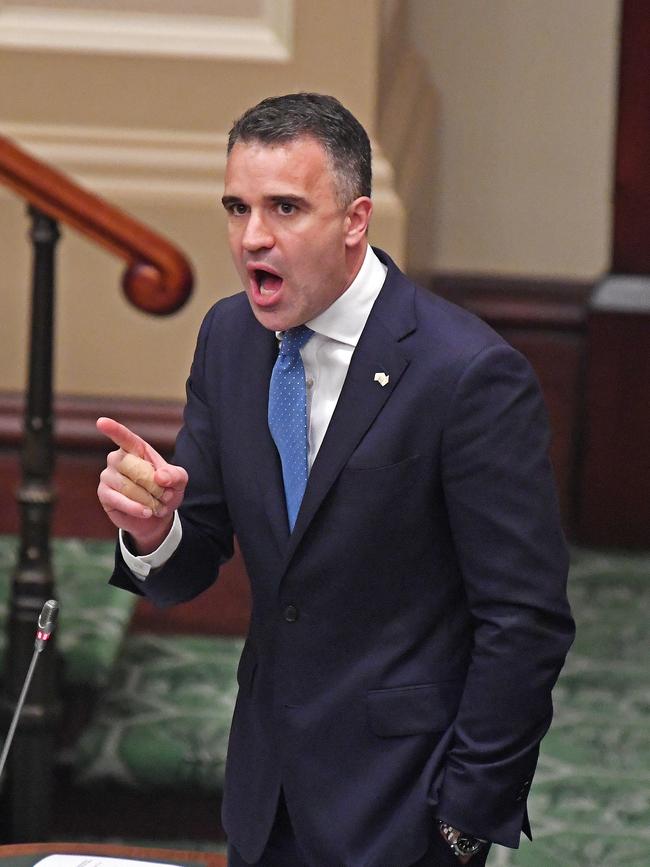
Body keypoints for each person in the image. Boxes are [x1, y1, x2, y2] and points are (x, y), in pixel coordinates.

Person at [97, 93, 575, 867]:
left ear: (355, 220)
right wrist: (154, 530)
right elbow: (192, 561)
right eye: (237, 207)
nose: (253, 237)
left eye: (285, 207)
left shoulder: (467, 374)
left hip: (403, 803)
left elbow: (525, 620)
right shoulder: (229, 337)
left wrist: (465, 820)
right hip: (265, 790)